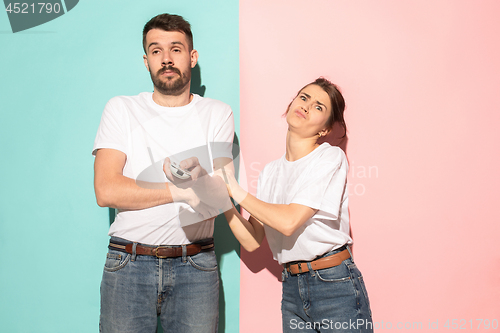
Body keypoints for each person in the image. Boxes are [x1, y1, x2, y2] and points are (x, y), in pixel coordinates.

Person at [92, 13, 234, 333]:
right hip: (129, 263)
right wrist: (182, 191)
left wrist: (201, 186)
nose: (166, 59)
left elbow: (222, 196)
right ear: (146, 61)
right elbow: (107, 190)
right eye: (156, 51)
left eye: (176, 49)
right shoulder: (121, 109)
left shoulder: (217, 114)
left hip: (196, 267)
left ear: (192, 57)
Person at [217, 78, 373, 332]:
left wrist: (234, 188)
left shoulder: (329, 157)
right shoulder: (270, 172)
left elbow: (289, 222)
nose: (307, 106)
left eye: (319, 107)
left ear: (324, 130)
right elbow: (253, 240)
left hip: (334, 282)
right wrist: (222, 199)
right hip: (292, 287)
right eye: (303, 97)